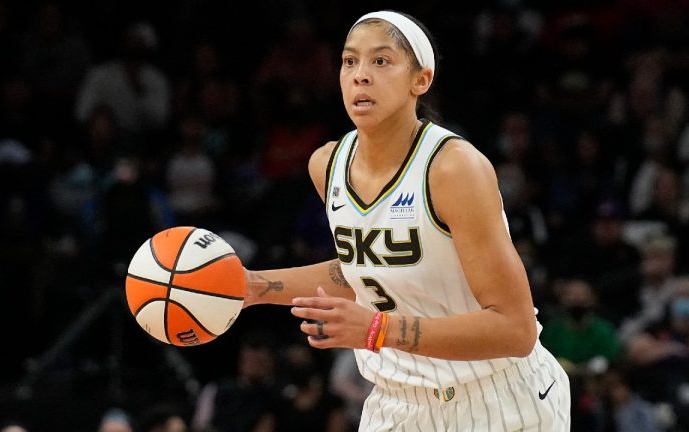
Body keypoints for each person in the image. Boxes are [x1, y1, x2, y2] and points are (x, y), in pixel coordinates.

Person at [243, 10, 571, 431]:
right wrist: (253, 286)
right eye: (349, 61)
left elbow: (516, 329)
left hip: (497, 398)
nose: (361, 75)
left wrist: (379, 329)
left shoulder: (454, 169)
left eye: (381, 61)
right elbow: (365, 272)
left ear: (421, 80)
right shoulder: (326, 164)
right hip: (397, 406)